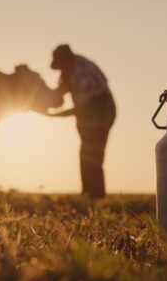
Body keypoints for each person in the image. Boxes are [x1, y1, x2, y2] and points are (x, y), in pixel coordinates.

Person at [47, 44, 116, 199]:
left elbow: (81, 108)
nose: (60, 71)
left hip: (100, 116)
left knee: (92, 155)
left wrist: (53, 115)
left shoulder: (82, 72)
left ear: (66, 61)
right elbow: (60, 91)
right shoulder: (69, 71)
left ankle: (96, 197)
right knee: (85, 154)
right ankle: (87, 194)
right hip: (88, 118)